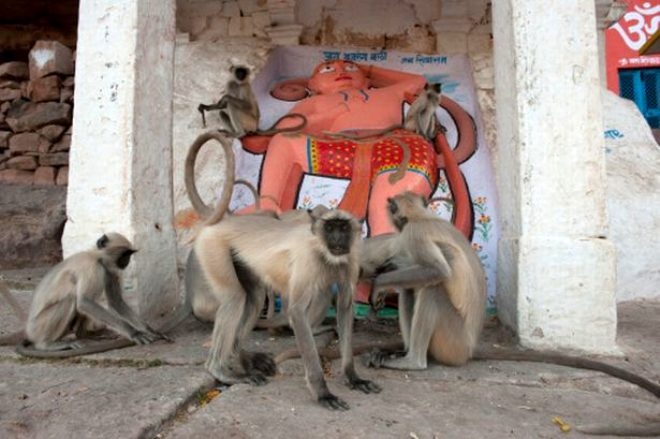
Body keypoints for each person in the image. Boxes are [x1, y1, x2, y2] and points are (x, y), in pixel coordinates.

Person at [243, 59, 439, 235]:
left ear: (366, 80)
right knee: (284, 140)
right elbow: (287, 128)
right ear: (313, 84)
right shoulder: (316, 101)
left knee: (385, 208)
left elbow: (418, 81)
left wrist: (369, 69)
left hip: (393, 148)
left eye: (350, 67)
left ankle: (386, 251)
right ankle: (268, 201)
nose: (341, 71)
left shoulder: (387, 92)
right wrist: (331, 114)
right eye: (328, 69)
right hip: (338, 148)